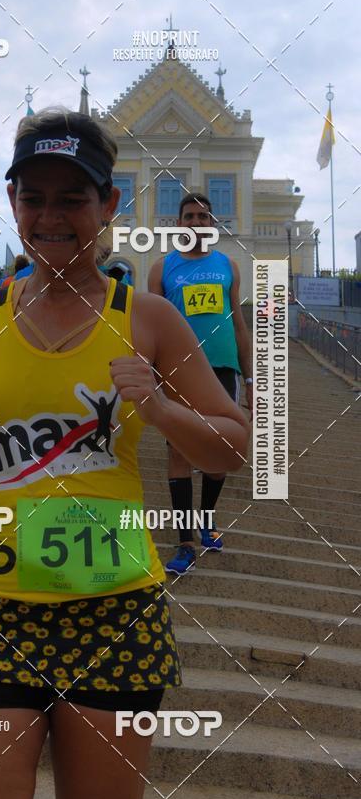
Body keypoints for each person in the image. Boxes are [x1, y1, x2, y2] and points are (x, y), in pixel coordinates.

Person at [0, 109, 249, 799]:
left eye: (73, 197)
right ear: (13, 205)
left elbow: (233, 444)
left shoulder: (149, 316)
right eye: (34, 197)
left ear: (108, 206)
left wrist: (160, 410)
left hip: (114, 613)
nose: (52, 215)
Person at [147, 193, 253, 576]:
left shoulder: (229, 267)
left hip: (224, 369)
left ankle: (207, 519)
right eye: (189, 216)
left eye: (203, 216)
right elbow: (153, 328)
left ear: (212, 225)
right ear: (180, 224)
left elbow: (240, 325)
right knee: (178, 453)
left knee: (219, 452)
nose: (196, 222)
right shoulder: (162, 268)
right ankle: (185, 542)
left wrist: (252, 377)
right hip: (180, 371)